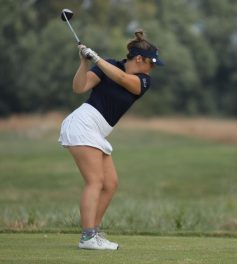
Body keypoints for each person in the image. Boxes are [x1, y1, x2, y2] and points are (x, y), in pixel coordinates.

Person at [58, 29, 164, 250]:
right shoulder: (108, 64)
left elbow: (122, 78)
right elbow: (80, 87)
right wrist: (85, 63)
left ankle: (93, 233)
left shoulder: (143, 80)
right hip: (83, 123)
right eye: (151, 63)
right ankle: (88, 237)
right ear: (139, 59)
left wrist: (96, 58)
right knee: (95, 182)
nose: (152, 68)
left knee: (111, 184)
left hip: (96, 131)